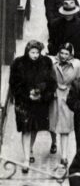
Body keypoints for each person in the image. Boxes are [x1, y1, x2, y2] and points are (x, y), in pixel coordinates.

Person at [9, 40, 57, 173]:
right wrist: (26, 94)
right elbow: (14, 83)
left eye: (37, 52)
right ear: (27, 51)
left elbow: (52, 83)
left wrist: (41, 94)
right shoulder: (18, 63)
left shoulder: (46, 62)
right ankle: (26, 159)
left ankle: (29, 150)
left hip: (39, 102)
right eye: (32, 52)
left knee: (34, 127)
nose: (35, 55)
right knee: (26, 129)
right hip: (24, 103)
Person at [49, 43, 80, 167]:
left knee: (65, 127)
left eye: (66, 54)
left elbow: (78, 81)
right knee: (52, 123)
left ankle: (64, 156)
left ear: (71, 54)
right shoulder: (52, 62)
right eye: (61, 53)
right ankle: (53, 143)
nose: (63, 56)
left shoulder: (77, 64)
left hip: (68, 97)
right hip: (54, 95)